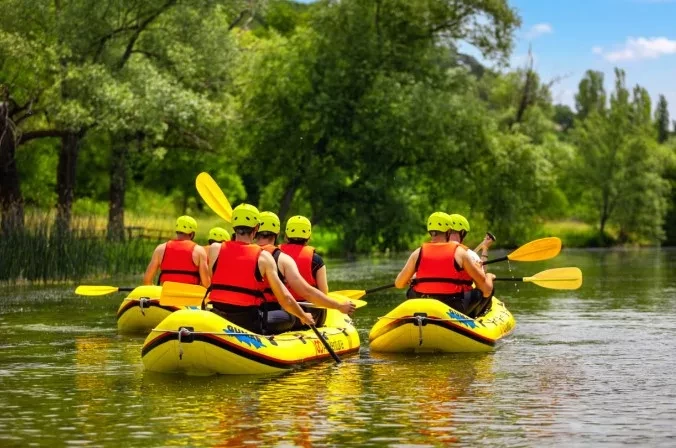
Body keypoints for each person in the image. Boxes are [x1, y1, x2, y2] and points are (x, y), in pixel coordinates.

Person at [207, 204, 315, 334]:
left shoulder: (214, 249)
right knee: (291, 317)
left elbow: (211, 280)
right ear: (256, 228)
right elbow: (285, 299)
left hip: (218, 314)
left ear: (233, 227)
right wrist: (303, 316)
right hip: (247, 321)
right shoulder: (263, 257)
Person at [256, 211, 355, 332]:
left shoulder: (268, 254)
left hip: (271, 311)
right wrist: (338, 306)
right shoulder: (316, 260)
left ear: (286, 236)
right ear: (309, 237)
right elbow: (323, 293)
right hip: (304, 314)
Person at [394, 212, 495, 318]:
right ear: (448, 232)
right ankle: (473, 318)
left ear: (429, 231)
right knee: (478, 293)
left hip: (423, 302)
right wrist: (489, 277)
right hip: (452, 306)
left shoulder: (418, 252)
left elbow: (399, 284)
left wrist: (411, 278)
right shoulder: (460, 253)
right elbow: (485, 289)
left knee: (411, 291)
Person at [143, 215, 210, 287]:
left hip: (166, 295)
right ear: (192, 234)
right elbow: (206, 284)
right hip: (189, 296)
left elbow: (147, 281)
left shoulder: (160, 249)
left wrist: (157, 291)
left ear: (177, 232)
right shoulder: (199, 251)